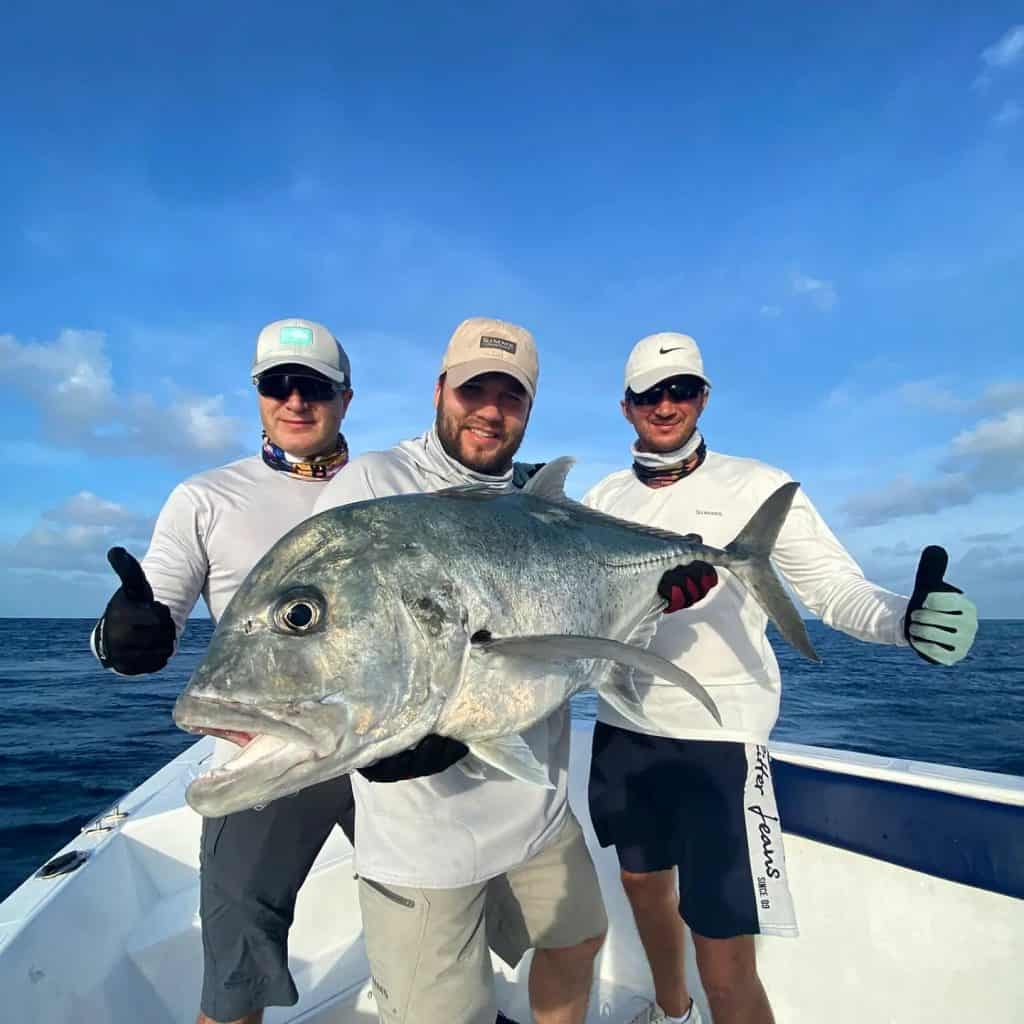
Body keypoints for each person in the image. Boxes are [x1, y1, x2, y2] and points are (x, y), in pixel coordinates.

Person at [582, 332, 979, 1024]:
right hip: (621, 725)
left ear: (703, 396)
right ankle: (671, 1013)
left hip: (721, 740)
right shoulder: (600, 497)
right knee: (641, 882)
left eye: (681, 390)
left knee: (723, 946)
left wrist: (903, 620)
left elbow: (831, 589)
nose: (665, 405)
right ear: (626, 407)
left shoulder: (757, 486)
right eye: (649, 393)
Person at [91, 318, 457, 1024]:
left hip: (387, 743)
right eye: (276, 385)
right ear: (257, 394)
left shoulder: (394, 484)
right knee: (235, 977)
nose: (295, 400)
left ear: (345, 397)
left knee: (435, 933)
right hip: (269, 752)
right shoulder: (205, 498)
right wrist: (124, 636)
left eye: (313, 386)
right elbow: (155, 607)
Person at [310, 317, 619, 1024]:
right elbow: (335, 620)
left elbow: (591, 611)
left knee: (578, 939)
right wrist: (375, 741)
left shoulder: (543, 506)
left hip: (535, 803)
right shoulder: (376, 482)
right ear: (439, 389)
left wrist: (661, 586)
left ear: (529, 410)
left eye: (510, 397)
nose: (489, 409)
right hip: (425, 836)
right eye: (472, 388)